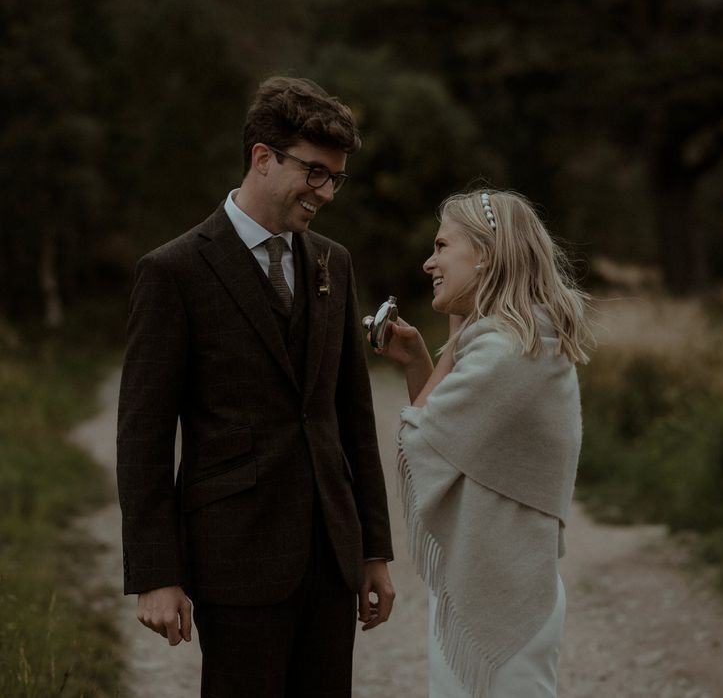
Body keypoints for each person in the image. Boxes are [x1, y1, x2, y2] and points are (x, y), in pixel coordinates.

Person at [117, 76, 395, 698]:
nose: (324, 192)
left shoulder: (334, 262)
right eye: (315, 172)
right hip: (234, 555)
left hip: (331, 553)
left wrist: (374, 549)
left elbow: (353, 414)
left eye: (335, 178)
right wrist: (155, 574)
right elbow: (144, 435)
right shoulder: (174, 271)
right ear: (262, 158)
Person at [374, 189, 590, 698]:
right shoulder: (510, 338)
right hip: (493, 578)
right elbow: (451, 440)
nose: (429, 262)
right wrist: (422, 361)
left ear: (486, 255)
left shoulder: (509, 349)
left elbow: (418, 438)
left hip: (504, 589)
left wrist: (443, 349)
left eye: (442, 245)